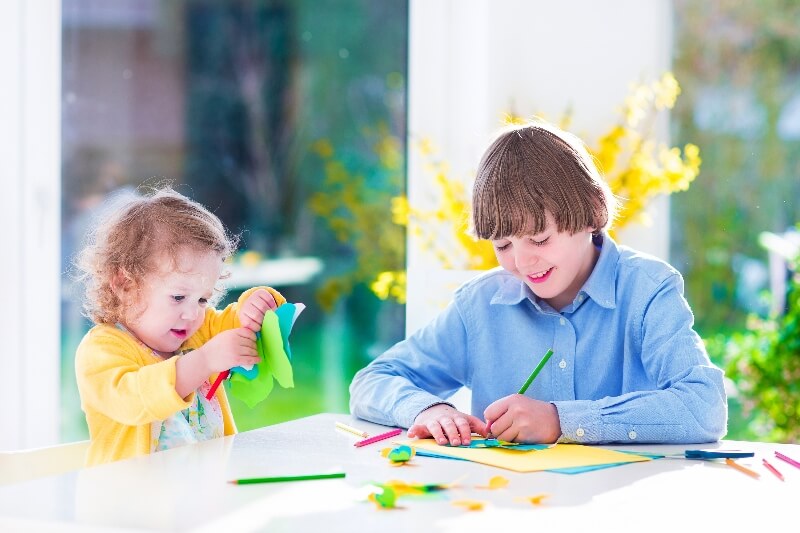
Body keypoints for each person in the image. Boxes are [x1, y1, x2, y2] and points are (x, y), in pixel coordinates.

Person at [349, 120, 728, 446]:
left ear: (592, 211)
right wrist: (429, 409)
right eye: (502, 245)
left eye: (540, 239)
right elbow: (373, 380)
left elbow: (704, 407)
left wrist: (561, 421)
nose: (521, 262)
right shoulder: (480, 306)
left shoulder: (648, 290)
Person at [74, 185, 285, 465]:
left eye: (203, 299)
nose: (192, 313)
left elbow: (240, 325)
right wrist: (205, 361)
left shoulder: (198, 331)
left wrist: (257, 305)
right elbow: (134, 400)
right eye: (178, 297)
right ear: (125, 284)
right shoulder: (102, 349)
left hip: (207, 487)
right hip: (130, 491)